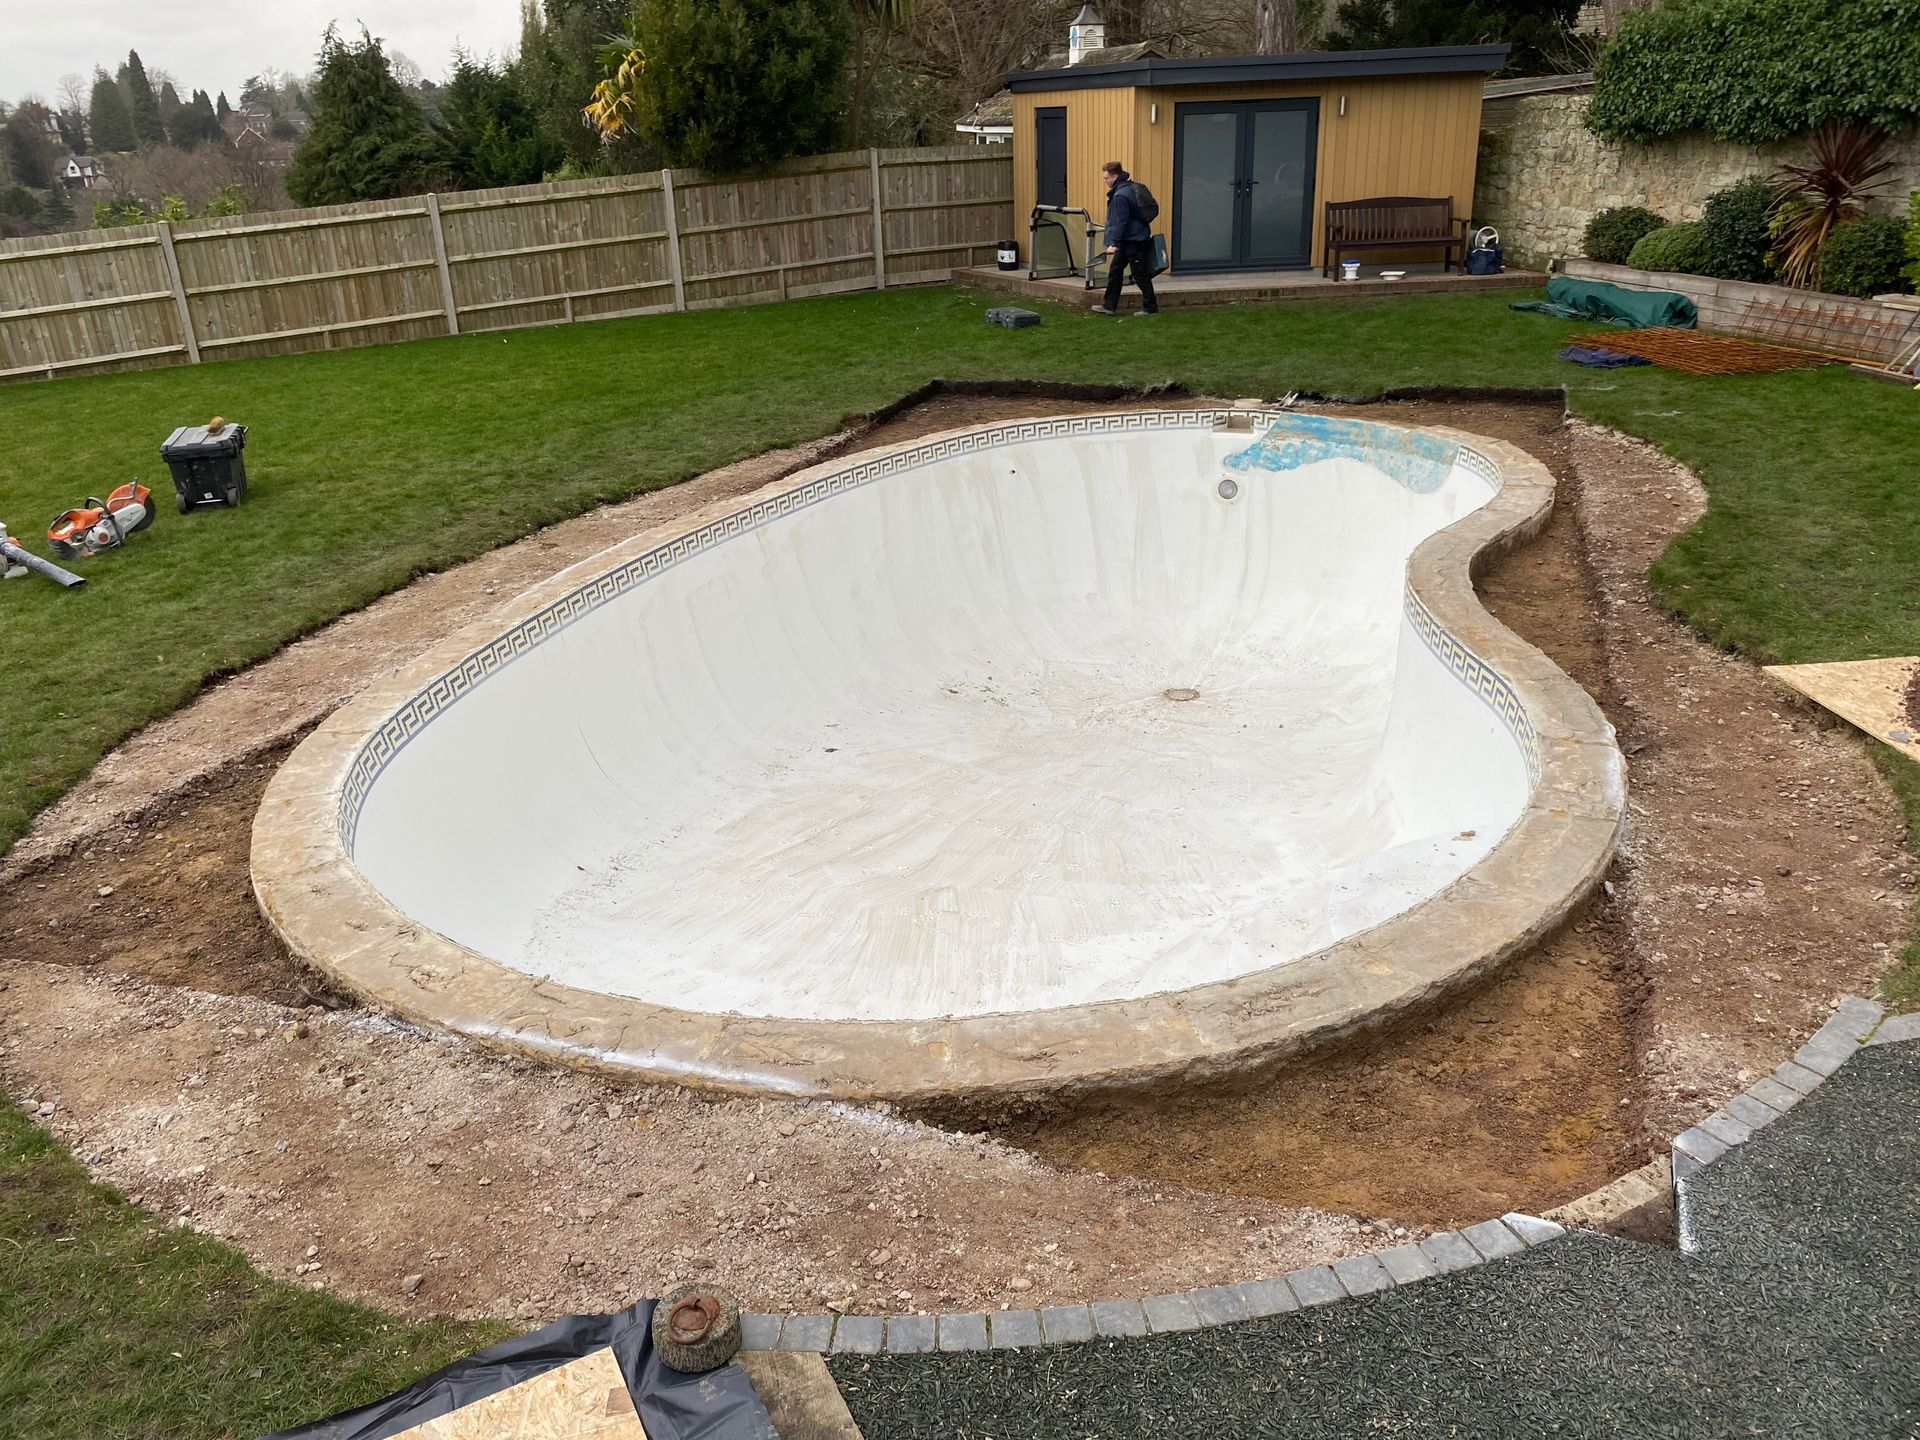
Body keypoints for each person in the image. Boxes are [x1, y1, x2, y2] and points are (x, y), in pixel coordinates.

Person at [1093, 161, 1158, 317]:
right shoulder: (1130, 187)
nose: (1105, 181)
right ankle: (1109, 306)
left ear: (1115, 176)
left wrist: (1113, 243)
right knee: (1116, 271)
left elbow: (1121, 222)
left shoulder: (1120, 196)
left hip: (1133, 240)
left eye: (1106, 178)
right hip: (1133, 237)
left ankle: (1150, 308)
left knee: (1139, 274)